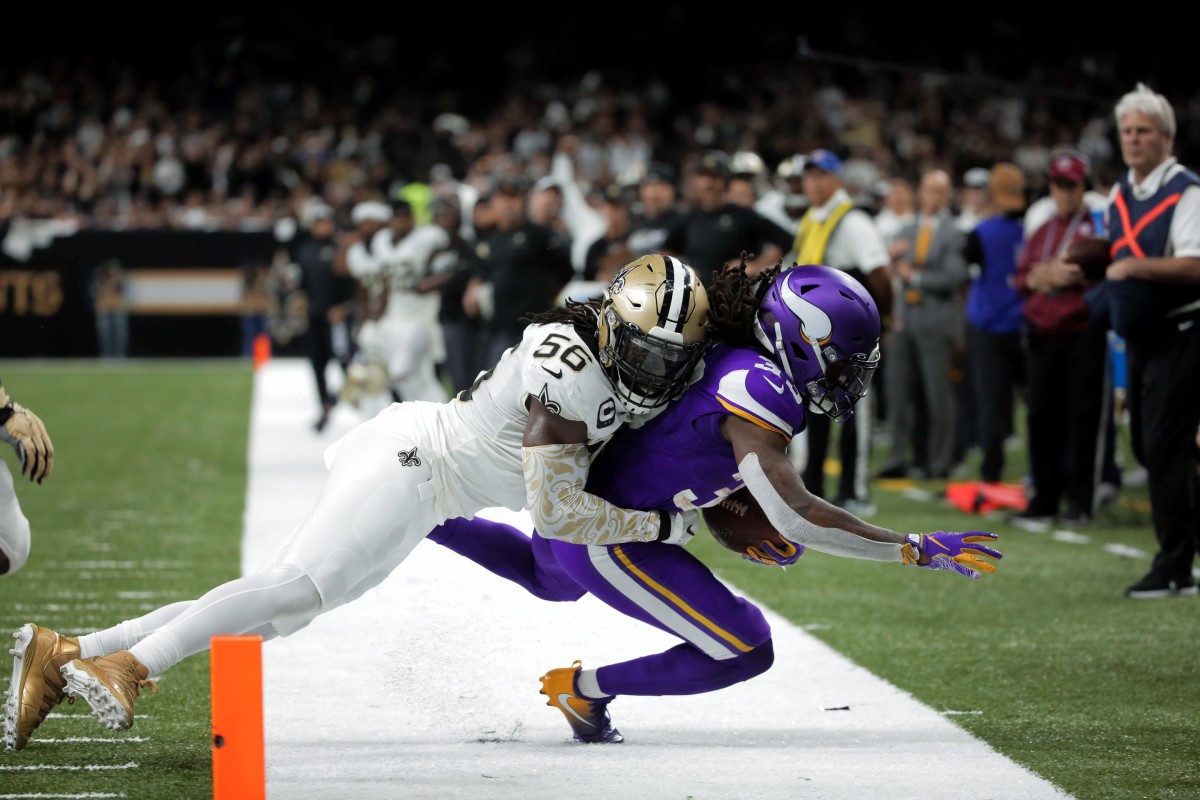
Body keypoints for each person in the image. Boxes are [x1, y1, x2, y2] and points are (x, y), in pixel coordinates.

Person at [4, 255, 711, 751]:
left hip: (429, 487)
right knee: (291, 588)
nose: (655, 371)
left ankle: (69, 652)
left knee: (278, 613)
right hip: (416, 463)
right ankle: (131, 664)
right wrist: (662, 525)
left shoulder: (632, 347)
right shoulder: (571, 371)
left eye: (668, 360)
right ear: (615, 326)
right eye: (645, 353)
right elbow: (554, 515)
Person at [428, 261, 1002, 744]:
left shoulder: (735, 363)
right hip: (609, 531)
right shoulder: (759, 389)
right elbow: (794, 515)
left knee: (545, 575)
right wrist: (912, 548)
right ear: (802, 344)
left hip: (588, 502)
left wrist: (724, 506)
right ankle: (580, 688)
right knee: (744, 648)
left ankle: (424, 509)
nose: (850, 380)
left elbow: (681, 448)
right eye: (845, 364)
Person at [1090, 83, 1200, 598]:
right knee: (1147, 445)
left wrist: (1132, 265)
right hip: (1138, 337)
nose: (1132, 140)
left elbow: (1195, 265)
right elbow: (1114, 256)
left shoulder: (1186, 191)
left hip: (1182, 332)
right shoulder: (1119, 193)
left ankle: (1175, 565)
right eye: (1126, 131)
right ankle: (1182, 545)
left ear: (1167, 137)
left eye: (1143, 131)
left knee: (1162, 445)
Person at [788, 149, 892, 516]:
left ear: (837, 180)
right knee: (817, 405)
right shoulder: (813, 219)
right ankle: (813, 486)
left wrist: (886, 321)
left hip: (850, 331)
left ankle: (854, 490)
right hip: (817, 333)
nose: (813, 182)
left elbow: (878, 272)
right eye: (809, 175)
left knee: (854, 409)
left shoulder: (853, 221)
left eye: (821, 175)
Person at [1011, 151, 1109, 526]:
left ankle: (1080, 501)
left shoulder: (1097, 229)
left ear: (1084, 187)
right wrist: (1039, 278)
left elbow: (1109, 269)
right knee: (1040, 418)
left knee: (1083, 418)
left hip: (1082, 332)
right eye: (1059, 184)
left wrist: (1074, 275)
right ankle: (1044, 498)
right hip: (1042, 333)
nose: (1065, 191)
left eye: (1072, 185)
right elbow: (1021, 279)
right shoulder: (1042, 229)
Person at [878, 169, 970, 480]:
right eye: (928, 189)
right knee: (897, 391)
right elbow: (894, 273)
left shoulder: (955, 233)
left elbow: (956, 276)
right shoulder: (907, 228)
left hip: (936, 319)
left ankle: (939, 461)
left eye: (939, 191)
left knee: (937, 394)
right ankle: (897, 457)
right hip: (906, 317)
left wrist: (914, 276)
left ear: (947, 196)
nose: (932, 196)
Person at [464, 176, 576, 369]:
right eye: (503, 198)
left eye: (513, 197)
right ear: (493, 204)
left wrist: (548, 298)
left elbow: (566, 270)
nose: (508, 204)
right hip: (500, 327)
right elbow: (480, 276)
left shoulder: (538, 235)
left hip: (534, 326)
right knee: (494, 385)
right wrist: (472, 290)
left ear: (522, 202)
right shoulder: (491, 241)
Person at [963, 162, 1028, 485]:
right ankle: (1043, 473)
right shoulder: (1034, 229)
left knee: (991, 405)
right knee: (1037, 406)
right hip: (1026, 326)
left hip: (988, 327)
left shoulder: (980, 233)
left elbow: (970, 268)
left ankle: (991, 476)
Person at [661, 150, 794, 285]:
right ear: (696, 182)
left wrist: (755, 265)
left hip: (736, 295)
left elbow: (786, 240)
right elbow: (665, 251)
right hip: (697, 294)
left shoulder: (743, 215)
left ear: (726, 182)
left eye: (715, 177)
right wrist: (682, 269)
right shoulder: (688, 218)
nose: (709, 184)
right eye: (704, 177)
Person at [291, 202, 356, 432]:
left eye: (326, 222)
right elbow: (299, 283)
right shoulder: (304, 250)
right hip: (315, 316)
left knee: (347, 364)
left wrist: (346, 308)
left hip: (337, 317)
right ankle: (324, 406)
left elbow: (355, 284)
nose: (322, 227)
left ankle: (336, 400)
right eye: (318, 222)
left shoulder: (343, 247)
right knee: (317, 364)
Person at [90, 259, 129, 359]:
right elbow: (94, 292)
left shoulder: (121, 280)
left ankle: (120, 356)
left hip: (117, 310)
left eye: (115, 269)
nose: (113, 271)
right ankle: (106, 356)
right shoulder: (100, 279)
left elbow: (125, 291)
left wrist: (116, 280)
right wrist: (103, 281)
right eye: (111, 269)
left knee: (120, 336)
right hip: (105, 310)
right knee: (105, 336)